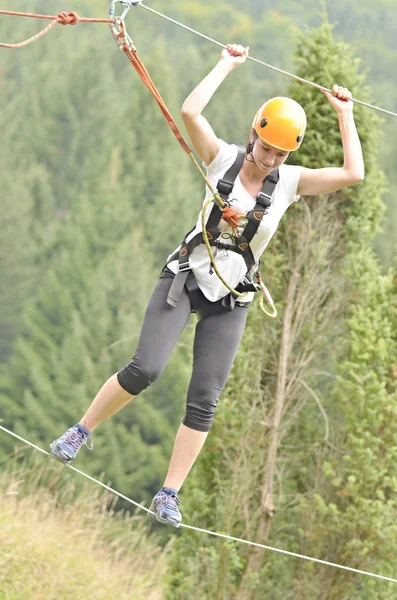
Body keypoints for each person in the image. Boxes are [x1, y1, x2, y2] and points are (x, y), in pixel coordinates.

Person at [50, 44, 364, 527]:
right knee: (145, 368)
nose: (270, 159)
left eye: (280, 154)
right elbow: (190, 111)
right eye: (266, 149)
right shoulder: (221, 160)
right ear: (252, 136)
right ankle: (80, 430)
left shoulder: (290, 182)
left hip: (233, 298)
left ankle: (169, 494)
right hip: (186, 278)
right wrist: (226, 64)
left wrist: (344, 114)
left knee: (205, 399)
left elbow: (352, 174)